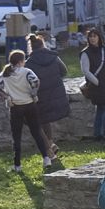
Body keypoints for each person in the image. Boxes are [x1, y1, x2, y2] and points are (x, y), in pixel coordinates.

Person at [0, 49, 50, 175]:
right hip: (30, 104)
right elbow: (36, 82)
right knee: (36, 131)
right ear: (20, 61)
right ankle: (46, 158)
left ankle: (17, 164)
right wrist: (33, 94)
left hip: (15, 106)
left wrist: (7, 97)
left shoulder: (5, 73)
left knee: (16, 136)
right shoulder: (27, 71)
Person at [25, 33, 69, 168]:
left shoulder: (29, 63)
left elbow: (27, 81)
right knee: (46, 121)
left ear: (30, 47)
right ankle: (51, 143)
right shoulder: (54, 57)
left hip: (39, 97)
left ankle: (49, 151)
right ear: (43, 44)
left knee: (37, 124)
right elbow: (64, 71)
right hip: (55, 94)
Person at [79, 27, 105, 141]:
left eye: (94, 36)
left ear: (99, 37)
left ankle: (98, 134)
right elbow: (86, 70)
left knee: (101, 109)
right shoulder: (85, 53)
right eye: (90, 36)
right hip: (97, 86)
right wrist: (97, 82)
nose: (92, 39)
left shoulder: (104, 49)